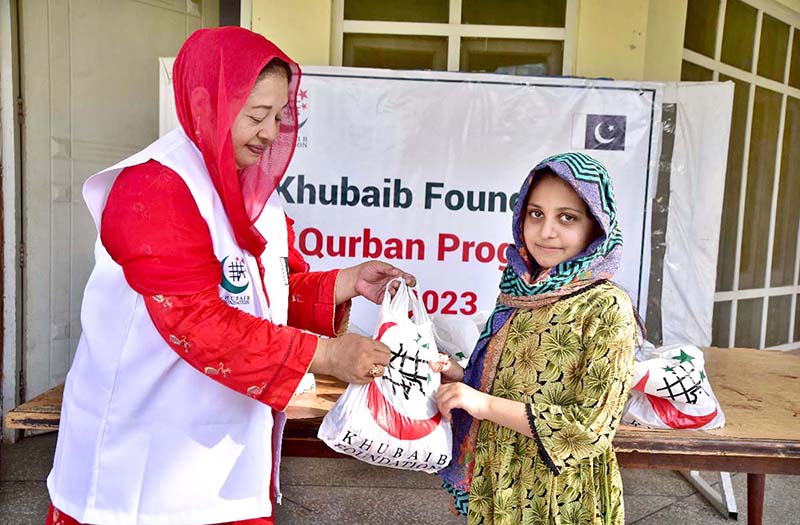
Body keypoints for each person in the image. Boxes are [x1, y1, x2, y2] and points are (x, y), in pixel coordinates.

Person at [45, 27, 413, 525]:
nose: (269, 132)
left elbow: (266, 295)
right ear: (205, 102)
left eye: (279, 116)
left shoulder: (255, 195)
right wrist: (326, 355)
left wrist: (349, 282)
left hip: (224, 464)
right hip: (140, 471)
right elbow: (197, 320)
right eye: (256, 115)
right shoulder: (155, 186)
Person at [433, 152, 638, 525]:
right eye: (536, 213)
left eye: (567, 218)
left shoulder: (606, 307)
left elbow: (589, 429)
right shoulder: (518, 291)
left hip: (558, 494)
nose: (546, 231)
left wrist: (481, 404)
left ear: (596, 227)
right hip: (497, 477)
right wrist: (463, 379)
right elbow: (513, 385)